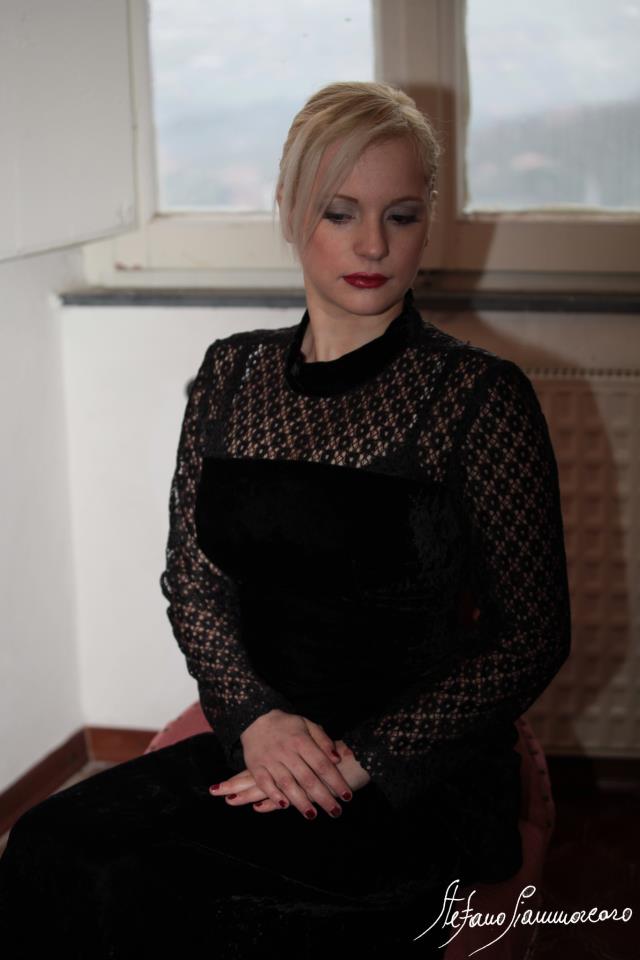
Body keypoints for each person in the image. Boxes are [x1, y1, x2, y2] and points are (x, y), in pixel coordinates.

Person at [0, 81, 571, 958]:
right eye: (340, 213)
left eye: (402, 215)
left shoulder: (479, 397)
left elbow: (532, 635)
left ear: (429, 222)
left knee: (166, 897)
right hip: (263, 737)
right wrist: (255, 719)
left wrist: (359, 760)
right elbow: (193, 583)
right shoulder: (230, 375)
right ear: (290, 209)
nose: (373, 244)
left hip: (407, 777)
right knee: (45, 846)